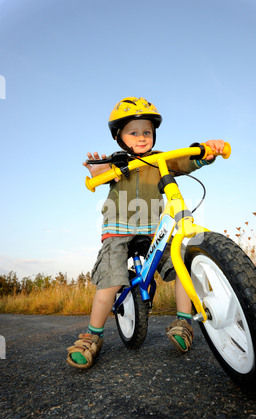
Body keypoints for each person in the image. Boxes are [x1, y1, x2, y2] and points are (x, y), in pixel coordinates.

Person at [67, 97, 224, 369]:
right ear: (119, 137)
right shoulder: (116, 163)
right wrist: (98, 170)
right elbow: (98, 173)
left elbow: (186, 160)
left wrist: (206, 153)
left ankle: (183, 323)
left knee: (181, 262)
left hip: (154, 230)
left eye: (147, 132)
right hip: (118, 231)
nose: (142, 137)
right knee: (112, 280)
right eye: (134, 132)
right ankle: (92, 336)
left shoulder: (160, 160)